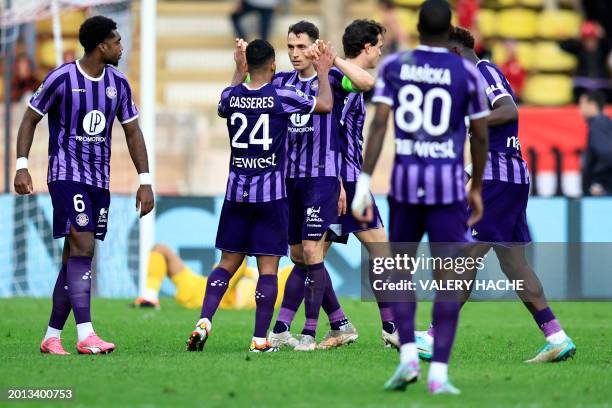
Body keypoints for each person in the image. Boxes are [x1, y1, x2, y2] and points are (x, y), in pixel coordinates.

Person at [415, 26, 576, 365]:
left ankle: (434, 337)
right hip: (504, 177)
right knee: (513, 263)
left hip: (500, 178)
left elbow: (509, 110)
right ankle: (556, 337)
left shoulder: (485, 70)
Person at [351, 0, 490, 394]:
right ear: (449, 30)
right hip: (447, 187)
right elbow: (479, 135)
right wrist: (476, 186)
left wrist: (364, 181)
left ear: (416, 27)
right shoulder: (466, 71)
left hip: (406, 185)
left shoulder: (396, 66)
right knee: (448, 279)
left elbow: (379, 125)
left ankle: (409, 355)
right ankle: (439, 374)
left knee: (400, 270)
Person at [14, 16, 154, 355]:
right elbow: (30, 119)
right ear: (101, 46)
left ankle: (50, 336)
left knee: (73, 257)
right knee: (85, 247)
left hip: (98, 181)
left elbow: (132, 132)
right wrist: (22, 166)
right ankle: (86, 334)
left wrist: (145, 180)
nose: (122, 47)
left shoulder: (118, 84)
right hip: (65, 175)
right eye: (117, 41)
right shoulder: (62, 77)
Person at [185, 38, 334, 353]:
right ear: (273, 66)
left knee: (226, 263)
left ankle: (204, 320)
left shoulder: (230, 96)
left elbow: (224, 104)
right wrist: (322, 72)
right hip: (270, 196)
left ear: (245, 65)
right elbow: (325, 105)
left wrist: (238, 72)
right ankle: (259, 339)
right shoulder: (282, 95)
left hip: (236, 193)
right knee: (268, 269)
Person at [267, 19, 400, 350]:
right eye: (379, 45)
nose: (381, 51)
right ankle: (361, 326)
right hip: (340, 181)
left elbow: (361, 88)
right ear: (367, 47)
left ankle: (353, 325)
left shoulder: (336, 77)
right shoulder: (335, 79)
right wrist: (339, 182)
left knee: (317, 255)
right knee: (311, 255)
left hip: (341, 179)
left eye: (302, 47)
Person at [131, 244, 292, 310]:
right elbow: (241, 263)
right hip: (226, 296)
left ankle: (149, 296)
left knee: (160, 249)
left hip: (197, 288)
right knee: (299, 268)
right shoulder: (282, 282)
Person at [559, 21, 611, 102]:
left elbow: (609, 43)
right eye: (587, 40)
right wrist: (577, 36)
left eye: (592, 39)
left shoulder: (603, 48)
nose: (590, 42)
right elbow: (563, 46)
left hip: (602, 83)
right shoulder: (579, 48)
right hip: (582, 83)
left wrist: (602, 34)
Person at [580, 90, 612, 195]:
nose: (580, 109)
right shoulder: (602, 123)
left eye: (582, 104)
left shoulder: (598, 124)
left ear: (592, 105)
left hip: (604, 184)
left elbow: (606, 153)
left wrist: (598, 182)